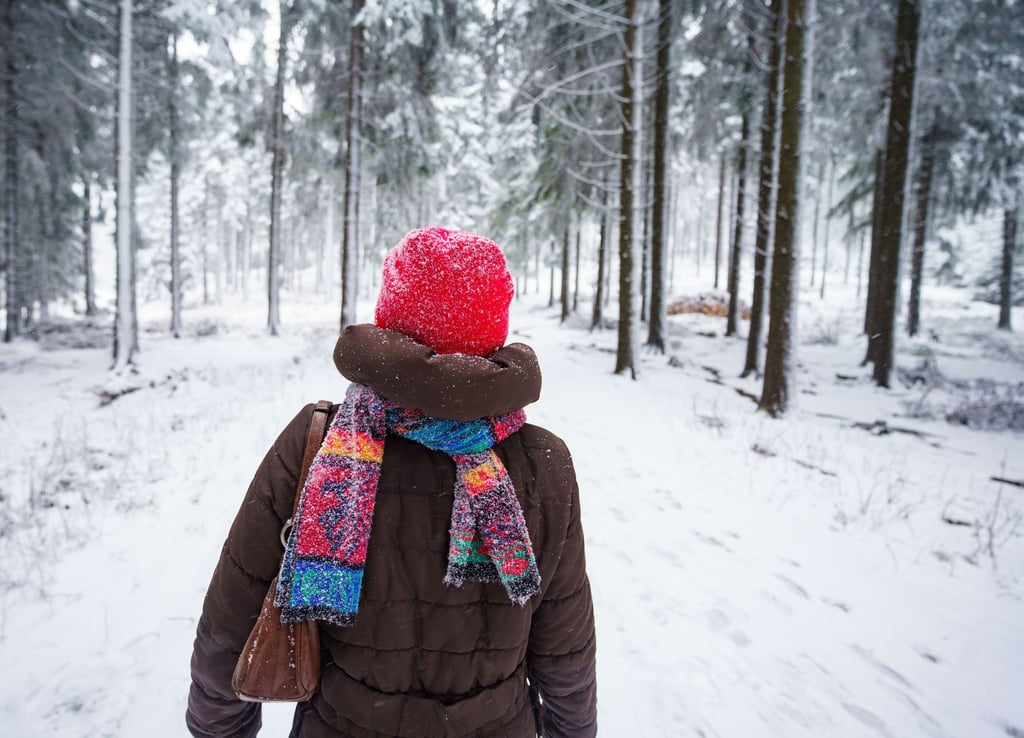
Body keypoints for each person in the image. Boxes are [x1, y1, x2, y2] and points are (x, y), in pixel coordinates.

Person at [186, 226, 597, 738]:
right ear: (492, 332)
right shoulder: (543, 462)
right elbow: (564, 644)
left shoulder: (320, 441)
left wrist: (218, 730)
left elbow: (233, 614)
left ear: (391, 322)